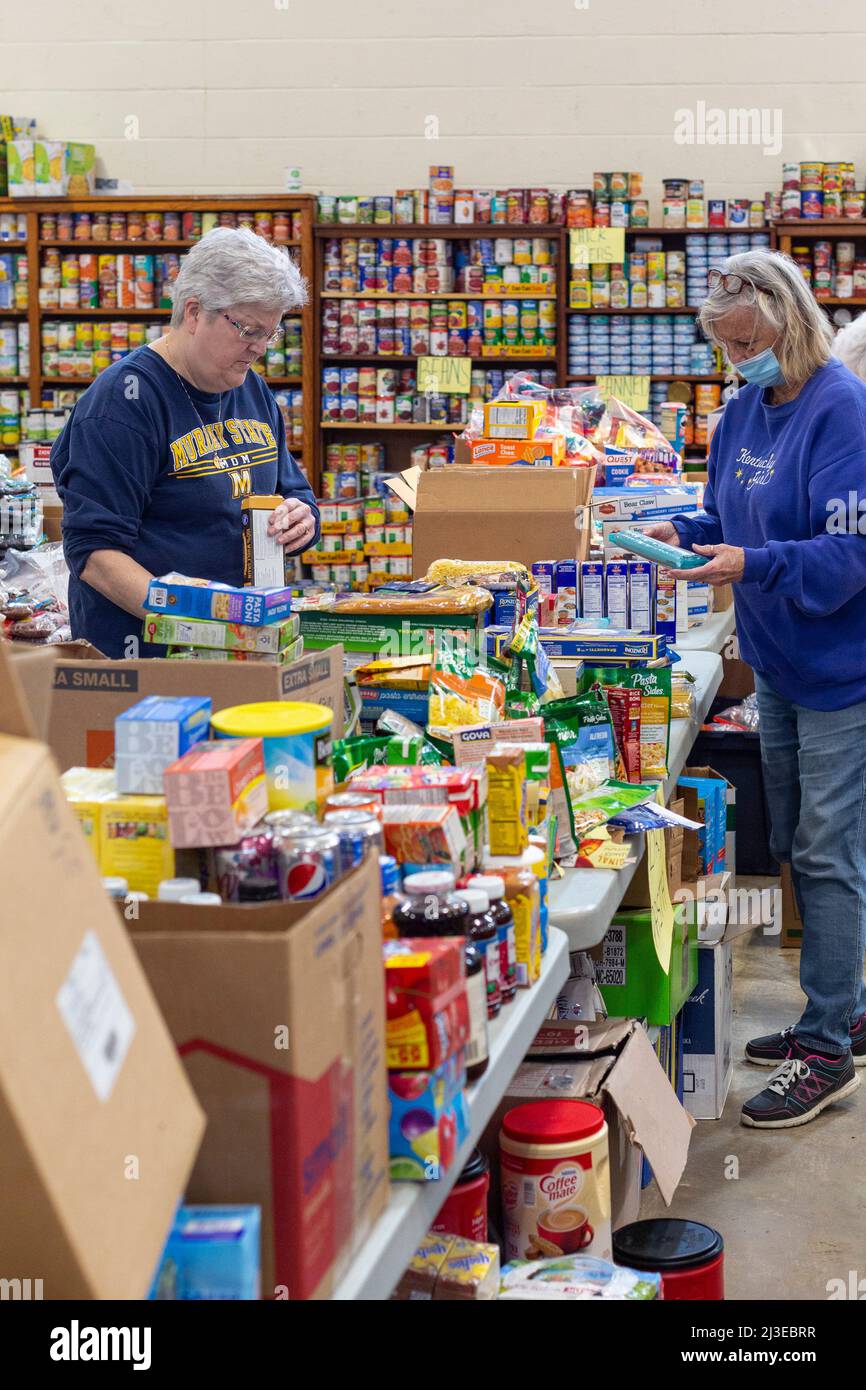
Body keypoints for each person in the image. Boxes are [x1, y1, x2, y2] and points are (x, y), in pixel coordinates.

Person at [646, 249, 866, 1130]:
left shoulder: (841, 412)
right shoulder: (739, 414)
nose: (739, 361)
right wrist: (683, 528)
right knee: (797, 841)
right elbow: (728, 517)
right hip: (776, 662)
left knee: (826, 851)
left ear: (793, 320)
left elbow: (849, 553)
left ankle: (826, 1049)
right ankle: (840, 1008)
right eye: (726, 348)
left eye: (749, 343)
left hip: (841, 672)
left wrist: (752, 562)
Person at [51, 226, 318, 658]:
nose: (261, 349)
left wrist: (302, 521)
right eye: (248, 330)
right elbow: (96, 556)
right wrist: (203, 622)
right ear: (194, 313)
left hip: (238, 643)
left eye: (271, 333)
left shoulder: (250, 388)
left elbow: (293, 491)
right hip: (148, 659)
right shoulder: (124, 403)